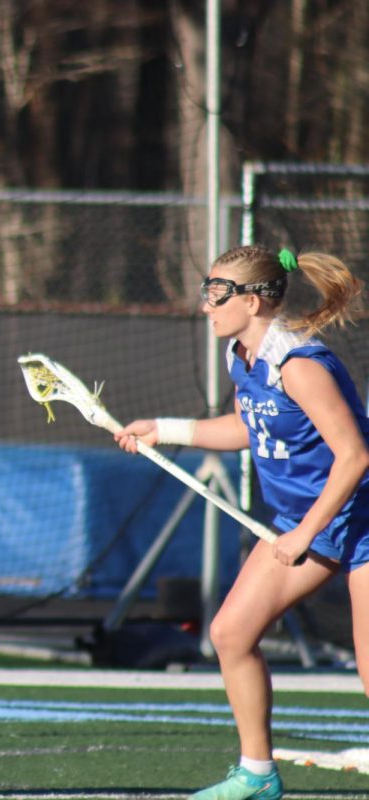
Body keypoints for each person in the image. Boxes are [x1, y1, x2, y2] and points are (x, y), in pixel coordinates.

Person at [115, 244, 369, 800]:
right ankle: (258, 774)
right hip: (309, 519)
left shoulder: (299, 365)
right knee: (230, 633)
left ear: (253, 301)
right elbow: (246, 429)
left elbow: (354, 457)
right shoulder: (241, 356)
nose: (206, 305)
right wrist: (165, 429)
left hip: (361, 520)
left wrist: (303, 533)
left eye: (216, 293)